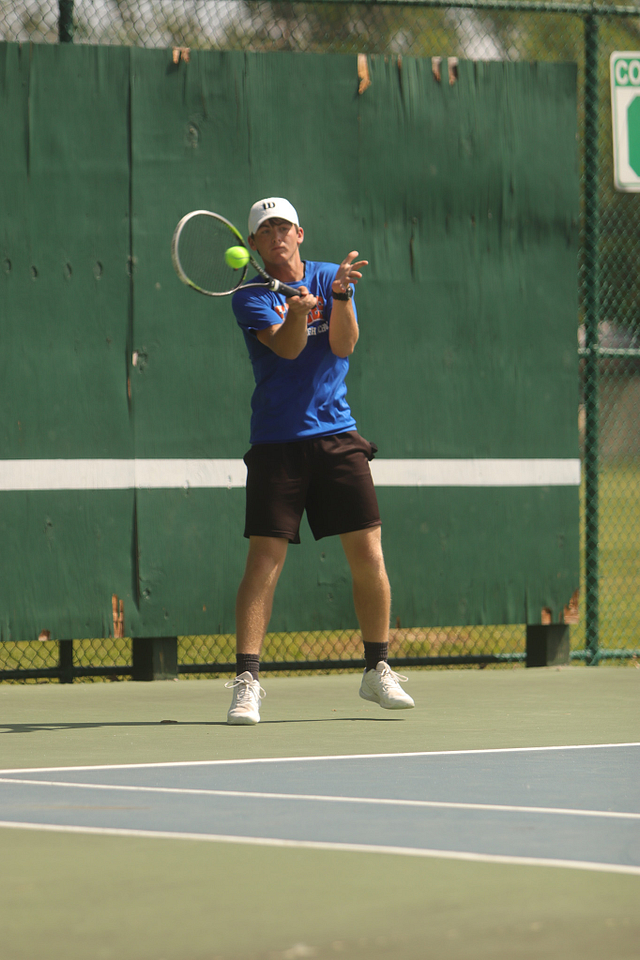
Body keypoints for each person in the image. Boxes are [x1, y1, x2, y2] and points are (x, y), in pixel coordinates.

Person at [226, 197, 414, 724]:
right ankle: (247, 682)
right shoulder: (250, 295)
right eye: (266, 231)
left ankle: (377, 669)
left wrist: (342, 297)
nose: (277, 236)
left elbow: (344, 345)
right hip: (277, 443)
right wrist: (299, 312)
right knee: (264, 562)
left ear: (300, 233)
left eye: (284, 227)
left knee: (369, 553)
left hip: (337, 435)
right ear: (254, 244)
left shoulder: (333, 276)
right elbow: (287, 350)